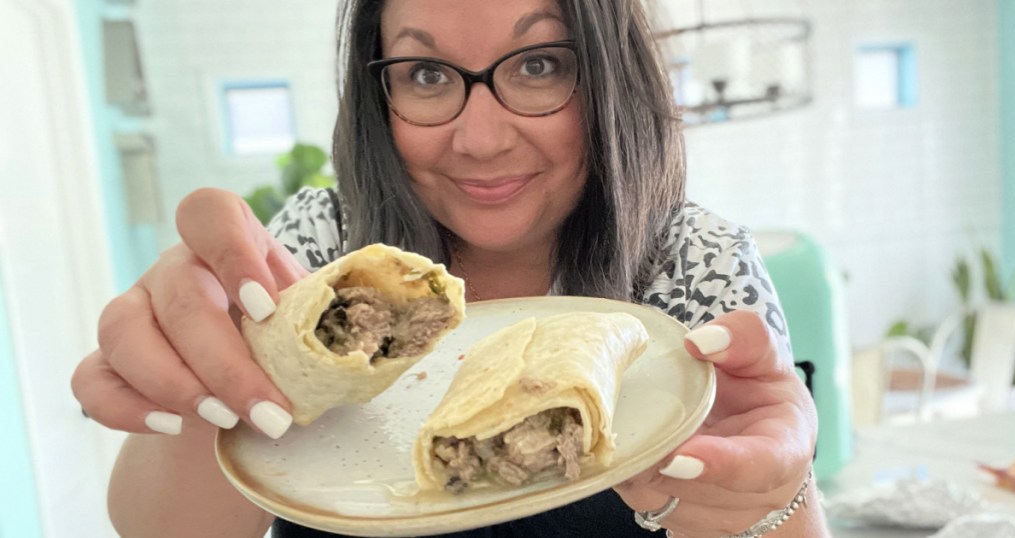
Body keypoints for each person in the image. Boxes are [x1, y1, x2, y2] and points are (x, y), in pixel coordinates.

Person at [71, 0, 830, 536]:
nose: (480, 138)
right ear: (381, 93)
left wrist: (768, 500)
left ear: (607, 78)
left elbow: (773, 511)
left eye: (538, 64)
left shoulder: (698, 265)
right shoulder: (314, 242)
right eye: (427, 75)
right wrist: (211, 369)